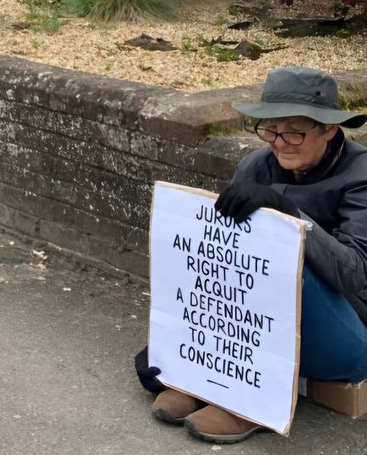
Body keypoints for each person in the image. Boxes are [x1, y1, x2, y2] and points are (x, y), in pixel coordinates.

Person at [135, 65, 367, 443]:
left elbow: (354, 273)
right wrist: (177, 342)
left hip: (351, 331)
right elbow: (223, 258)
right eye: (271, 128)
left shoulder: (362, 174)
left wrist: (290, 215)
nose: (279, 142)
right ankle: (199, 378)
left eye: (294, 130)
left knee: (284, 262)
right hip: (274, 327)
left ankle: (251, 403)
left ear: (330, 128)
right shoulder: (256, 165)